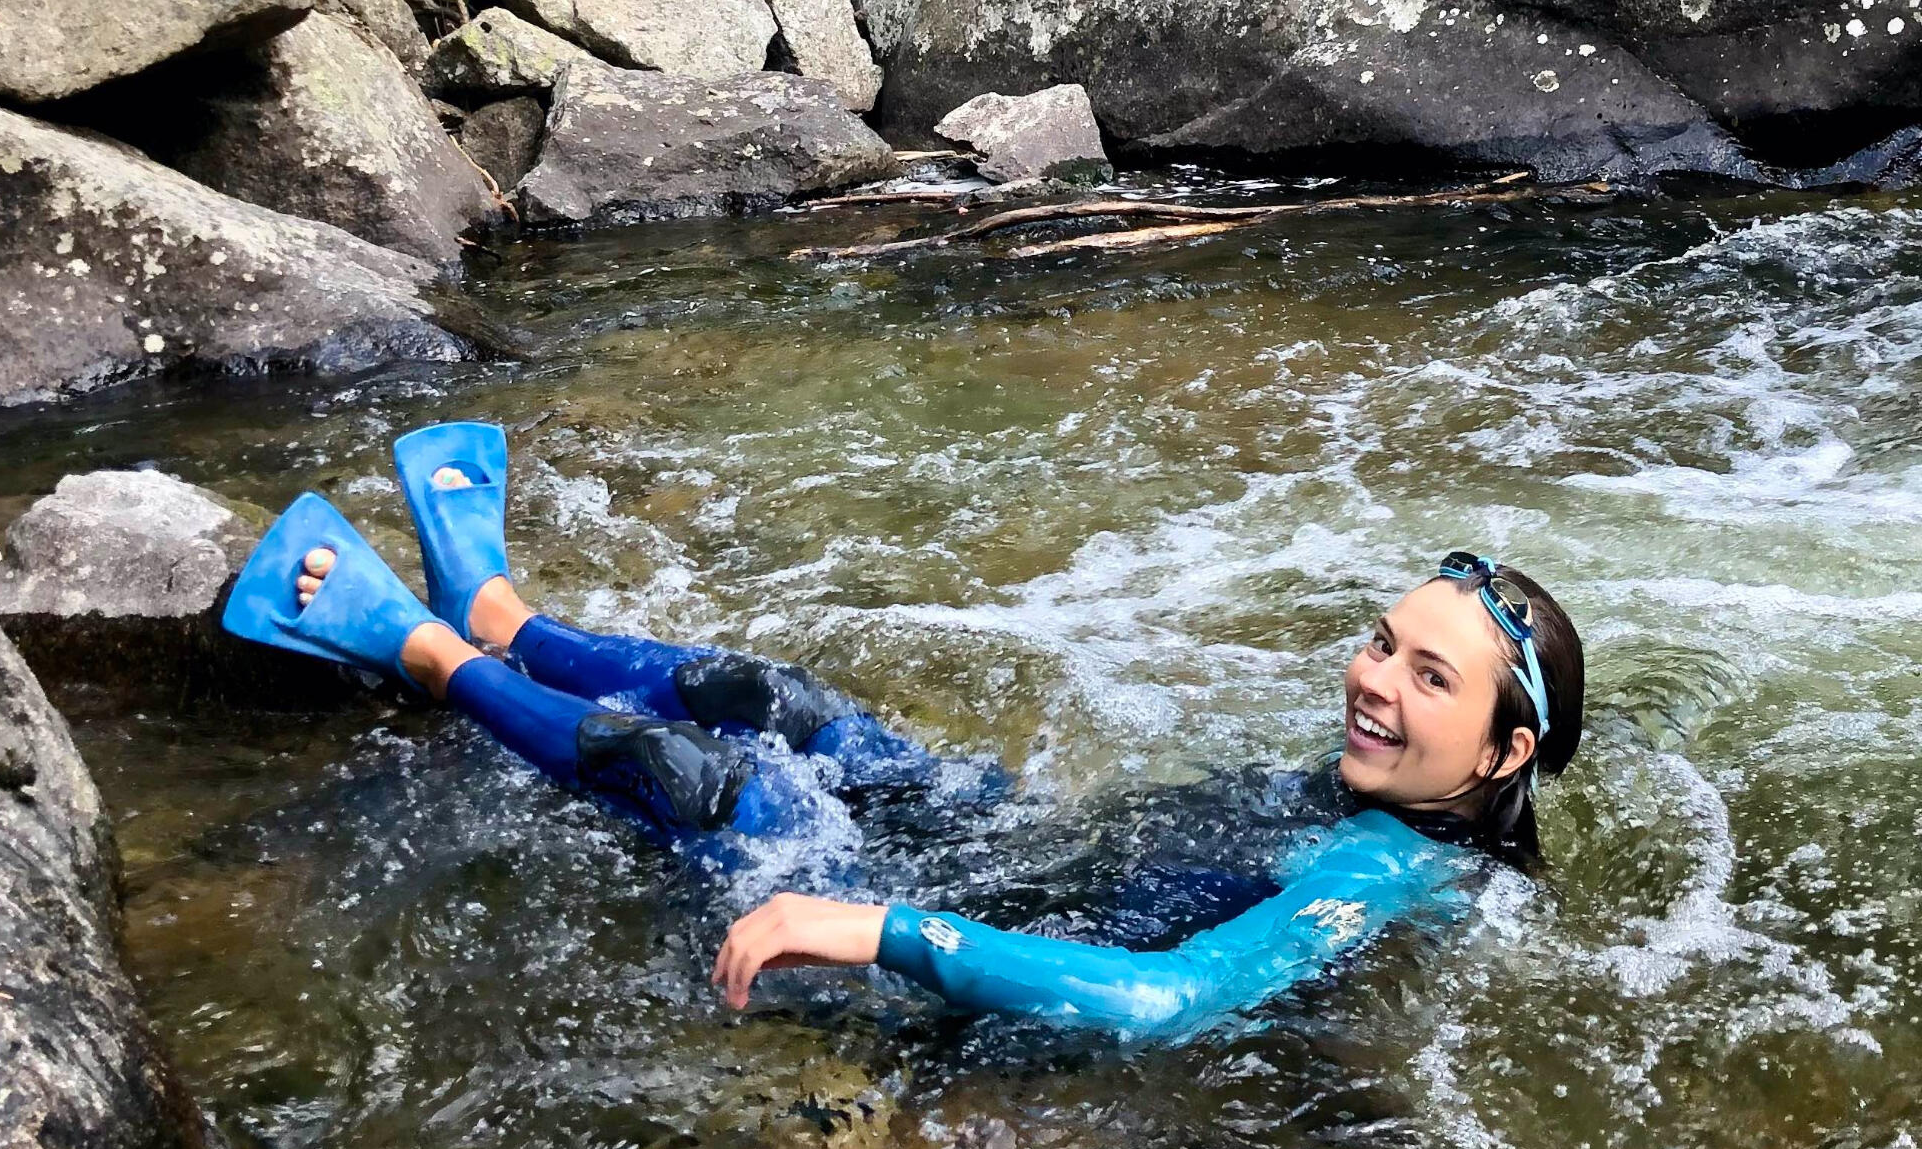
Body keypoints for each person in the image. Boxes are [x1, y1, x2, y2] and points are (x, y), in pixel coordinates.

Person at [225, 423, 1585, 1044]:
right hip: (1017, 841)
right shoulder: (1389, 791)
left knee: (709, 789)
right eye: (1380, 642)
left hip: (982, 931)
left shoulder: (1386, 870)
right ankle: (510, 618)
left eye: (1430, 679)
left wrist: (882, 931)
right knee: (781, 698)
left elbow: (1168, 1003)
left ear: (1503, 753)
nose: (1374, 683)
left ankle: (416, 646)